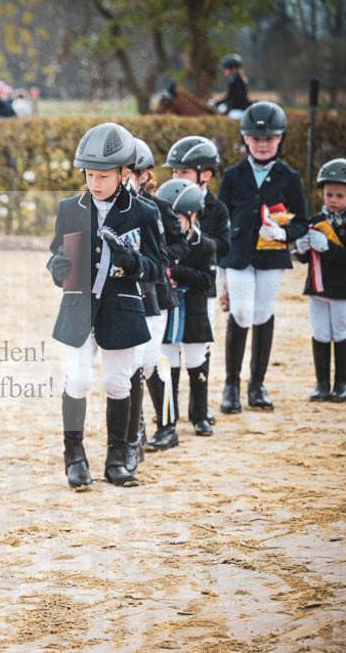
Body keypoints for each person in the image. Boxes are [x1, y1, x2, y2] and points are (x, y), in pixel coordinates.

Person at [46, 122, 166, 488]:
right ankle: (75, 456)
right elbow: (56, 254)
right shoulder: (70, 207)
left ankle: (117, 459)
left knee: (118, 383)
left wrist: (133, 263)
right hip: (79, 308)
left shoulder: (144, 213)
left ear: (124, 173)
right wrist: (57, 267)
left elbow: (158, 269)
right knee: (79, 379)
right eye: (89, 175)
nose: (94, 183)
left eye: (102, 176)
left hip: (123, 308)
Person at [218, 101, 308, 414]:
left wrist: (283, 235)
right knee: (241, 312)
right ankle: (231, 384)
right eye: (257, 140)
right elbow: (219, 218)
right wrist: (219, 268)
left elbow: (302, 222)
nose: (263, 144)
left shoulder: (289, 176)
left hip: (271, 257)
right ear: (245, 140)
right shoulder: (232, 175)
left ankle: (257, 384)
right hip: (236, 255)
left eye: (269, 139)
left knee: (263, 314)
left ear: (280, 138)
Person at [125, 138, 189, 467]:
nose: (127, 182)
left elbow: (178, 245)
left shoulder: (158, 207)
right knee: (132, 362)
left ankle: (167, 424)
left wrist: (161, 263)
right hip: (125, 295)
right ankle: (134, 429)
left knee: (151, 361)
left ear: (144, 175)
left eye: (133, 175)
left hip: (156, 293)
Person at [163, 136, 231, 425]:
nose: (177, 177)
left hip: (202, 288)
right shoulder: (168, 204)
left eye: (184, 172)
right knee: (170, 350)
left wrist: (197, 242)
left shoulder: (215, 209)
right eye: (175, 172)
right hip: (171, 293)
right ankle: (169, 412)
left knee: (199, 345)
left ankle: (198, 410)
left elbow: (224, 246)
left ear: (205, 174)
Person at [149, 179, 218, 448]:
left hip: (195, 312)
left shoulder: (206, 245)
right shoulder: (160, 244)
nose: (171, 226)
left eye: (177, 220)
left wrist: (175, 273)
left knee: (196, 363)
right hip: (169, 311)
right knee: (167, 366)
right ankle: (168, 419)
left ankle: (199, 415)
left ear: (193, 215)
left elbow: (207, 280)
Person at [292, 158, 346, 402]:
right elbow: (306, 261)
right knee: (321, 333)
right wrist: (301, 250)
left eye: (339, 195)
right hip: (317, 288)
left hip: (342, 289)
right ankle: (322, 383)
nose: (333, 200)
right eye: (329, 194)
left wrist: (330, 249)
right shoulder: (315, 221)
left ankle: (342, 383)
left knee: (341, 333)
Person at [213, 54, 250, 119]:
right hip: (237, 108)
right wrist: (216, 103)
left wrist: (225, 104)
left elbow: (236, 98)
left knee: (232, 116)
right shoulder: (233, 79)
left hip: (240, 110)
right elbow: (229, 97)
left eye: (225, 69)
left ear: (232, 69)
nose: (224, 72)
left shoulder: (237, 80)